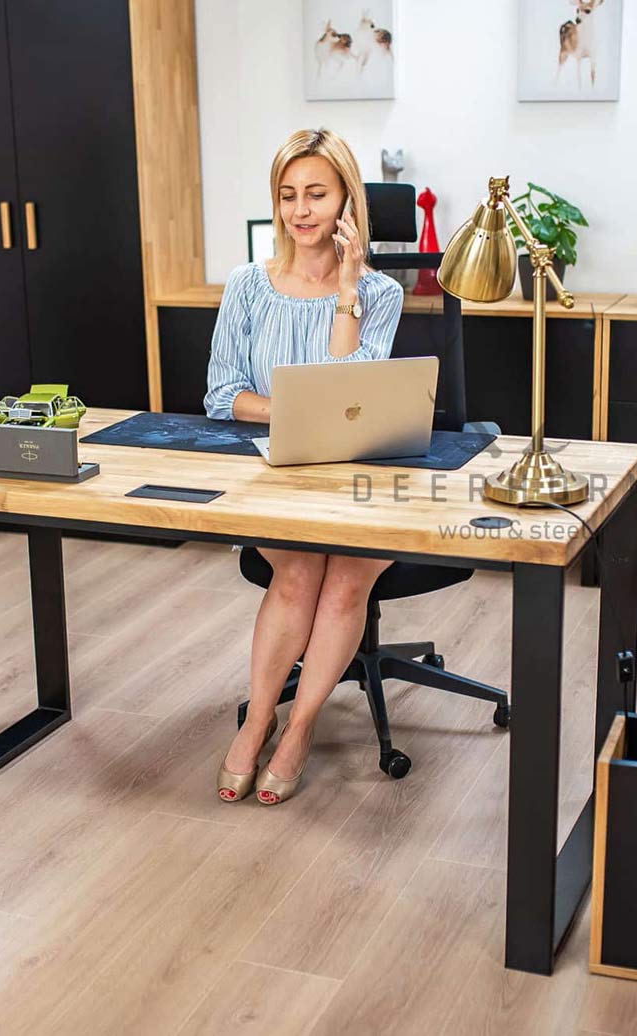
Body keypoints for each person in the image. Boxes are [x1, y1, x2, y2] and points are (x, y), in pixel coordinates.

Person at [204, 127, 404, 805]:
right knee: (296, 570)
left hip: (364, 477)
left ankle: (299, 730)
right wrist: (299, 411)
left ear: (347, 198)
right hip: (279, 470)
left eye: (317, 193)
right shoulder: (247, 287)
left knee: (346, 579)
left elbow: (352, 391)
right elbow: (222, 393)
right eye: (288, 195)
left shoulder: (378, 294)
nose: (300, 210)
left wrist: (346, 290)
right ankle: (258, 720)